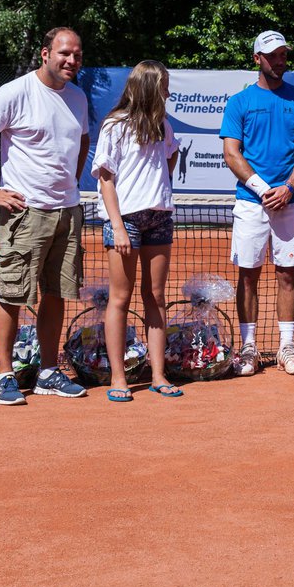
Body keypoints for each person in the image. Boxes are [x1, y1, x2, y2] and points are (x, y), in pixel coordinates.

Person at [0, 27, 91, 405]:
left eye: (78, 55)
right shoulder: (15, 92)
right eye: (65, 53)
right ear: (45, 53)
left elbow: (81, 139)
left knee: (56, 294)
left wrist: (70, 182)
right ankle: (4, 376)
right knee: (12, 296)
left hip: (67, 211)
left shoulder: (79, 97)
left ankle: (48, 372)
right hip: (25, 212)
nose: (71, 60)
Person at [220, 31, 294, 377]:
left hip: (291, 201)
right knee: (248, 276)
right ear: (256, 58)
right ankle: (249, 348)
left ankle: (286, 348)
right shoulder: (239, 102)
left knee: (287, 275)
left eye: (283, 55)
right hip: (251, 202)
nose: (280, 60)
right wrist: (264, 189)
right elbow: (231, 152)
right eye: (272, 55)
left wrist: (288, 187)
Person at [92, 60, 180, 402]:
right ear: (148, 88)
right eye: (164, 87)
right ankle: (118, 377)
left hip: (159, 218)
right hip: (124, 221)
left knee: (155, 296)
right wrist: (118, 226)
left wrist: (157, 188)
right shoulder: (114, 126)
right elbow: (106, 179)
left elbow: (170, 158)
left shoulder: (163, 126)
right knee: (120, 298)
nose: (168, 93)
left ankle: (158, 374)